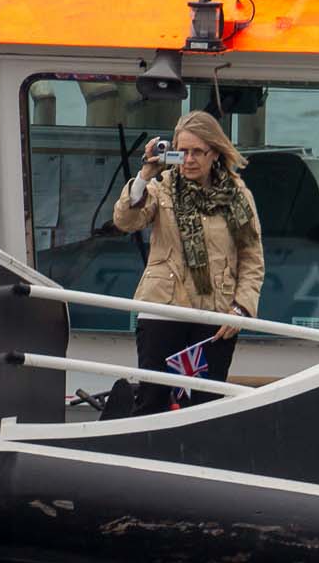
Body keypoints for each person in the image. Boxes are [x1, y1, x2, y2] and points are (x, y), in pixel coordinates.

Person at [112, 110, 263, 414]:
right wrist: (144, 175)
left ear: (214, 153)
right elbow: (125, 221)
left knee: (204, 408)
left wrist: (241, 309)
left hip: (215, 317)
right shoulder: (162, 186)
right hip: (162, 310)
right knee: (152, 403)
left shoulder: (238, 196)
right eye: (182, 152)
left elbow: (251, 259)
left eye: (197, 152)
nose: (190, 159)